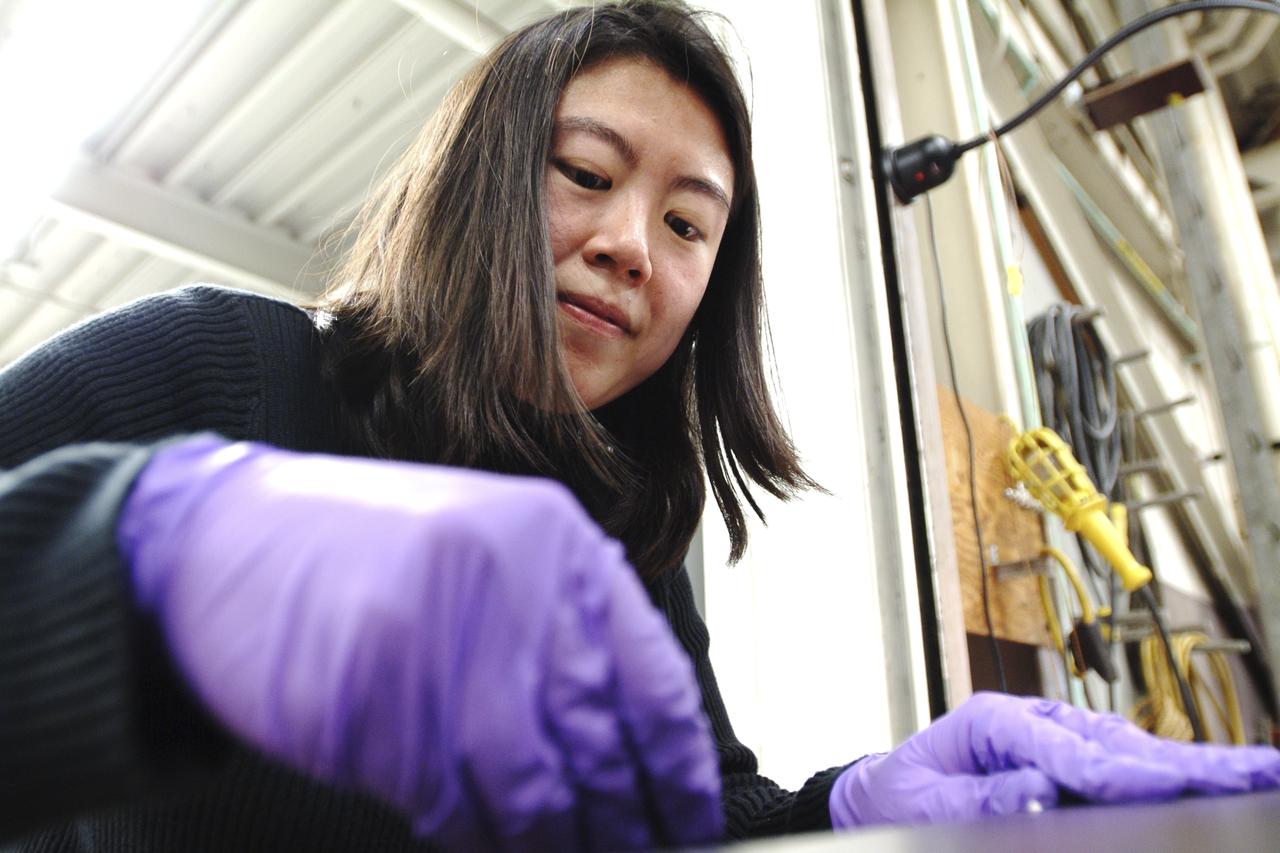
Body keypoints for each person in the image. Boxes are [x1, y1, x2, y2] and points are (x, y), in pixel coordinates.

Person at [1, 2, 1277, 851]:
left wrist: (845, 802)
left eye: (686, 225)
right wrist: (147, 574)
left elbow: (680, 820)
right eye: (586, 174)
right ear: (476, 182)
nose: (627, 245)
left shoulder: (627, 542)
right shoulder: (221, 365)